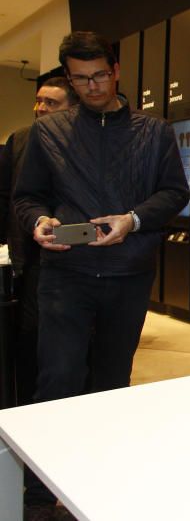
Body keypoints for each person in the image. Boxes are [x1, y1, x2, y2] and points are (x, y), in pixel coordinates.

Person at [13, 32, 188, 518]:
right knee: (57, 380)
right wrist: (38, 222)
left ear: (115, 71)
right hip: (65, 273)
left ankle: (96, 484)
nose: (91, 87)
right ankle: (37, 494)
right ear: (68, 78)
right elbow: (26, 197)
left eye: (98, 76)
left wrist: (131, 219)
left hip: (128, 274)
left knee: (112, 382)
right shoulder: (49, 133)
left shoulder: (155, 133)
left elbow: (174, 193)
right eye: (79, 79)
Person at [0, 76, 79, 407]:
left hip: (73, 257)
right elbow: (6, 196)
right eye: (38, 100)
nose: (40, 108)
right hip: (28, 259)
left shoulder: (81, 143)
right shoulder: (19, 139)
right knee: (30, 338)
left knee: (69, 342)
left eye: (51, 102)